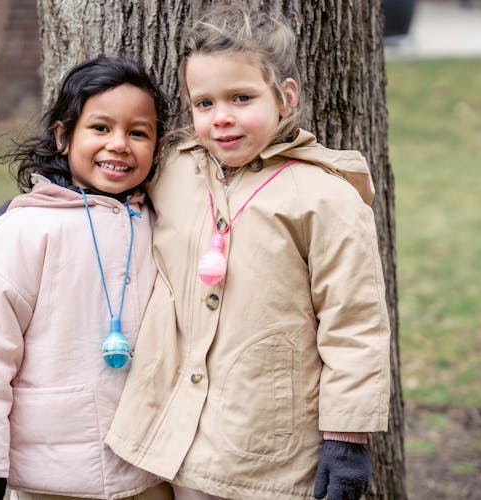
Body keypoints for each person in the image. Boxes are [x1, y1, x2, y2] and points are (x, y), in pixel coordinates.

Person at [105, 5, 391, 500]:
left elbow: (355, 321)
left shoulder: (325, 197)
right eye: (204, 103)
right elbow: (111, 180)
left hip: (266, 443)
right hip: (176, 436)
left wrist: (348, 439)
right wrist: (44, 204)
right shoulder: (176, 169)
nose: (222, 119)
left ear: (286, 97)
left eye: (242, 97)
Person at [0, 56, 173, 500]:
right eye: (101, 128)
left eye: (138, 132)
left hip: (151, 472)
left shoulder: (164, 226)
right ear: (64, 136)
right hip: (51, 474)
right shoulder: (19, 234)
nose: (120, 144)